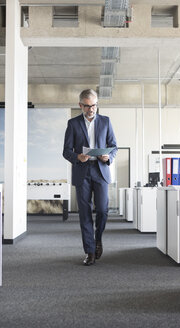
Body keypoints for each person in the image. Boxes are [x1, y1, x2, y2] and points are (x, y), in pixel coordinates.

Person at [63, 89, 117, 266]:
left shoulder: (106, 121)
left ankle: (98, 238)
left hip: (100, 170)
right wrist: (77, 157)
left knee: (102, 209)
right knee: (84, 213)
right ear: (80, 105)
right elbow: (66, 151)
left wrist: (108, 157)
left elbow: (114, 146)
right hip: (82, 171)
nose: (91, 109)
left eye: (94, 105)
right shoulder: (73, 124)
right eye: (87, 106)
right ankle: (90, 251)